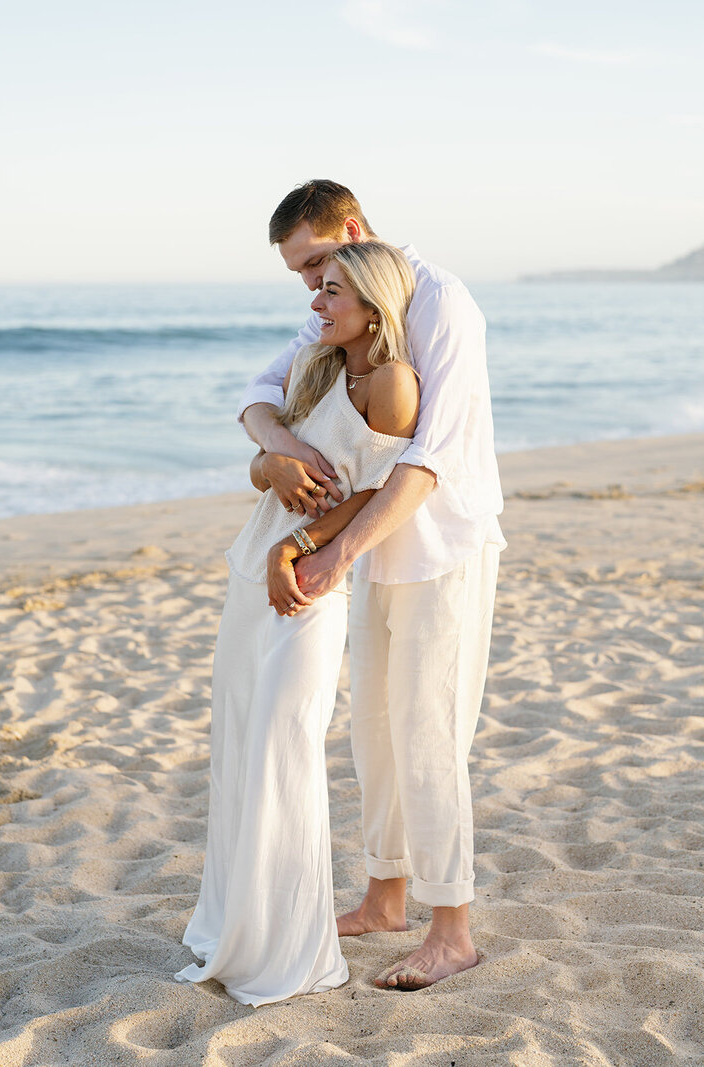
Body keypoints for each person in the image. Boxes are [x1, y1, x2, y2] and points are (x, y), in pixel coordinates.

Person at [238, 180, 506, 991]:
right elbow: (261, 389)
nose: (313, 293)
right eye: (305, 277)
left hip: (440, 545)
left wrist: (336, 553)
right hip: (374, 544)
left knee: (429, 730)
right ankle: (385, 895)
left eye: (319, 265)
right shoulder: (337, 298)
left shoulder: (442, 304)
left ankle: (451, 928)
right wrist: (280, 448)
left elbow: (430, 458)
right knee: (375, 732)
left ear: (351, 231)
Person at [175, 241, 420, 1006]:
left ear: (374, 306)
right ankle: (241, 925)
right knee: (243, 741)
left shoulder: (394, 384)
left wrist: (302, 544)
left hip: (308, 580)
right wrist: (271, 465)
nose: (316, 301)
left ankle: (288, 942)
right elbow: (261, 462)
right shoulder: (317, 364)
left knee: (287, 742)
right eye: (319, 290)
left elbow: (376, 493)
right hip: (252, 569)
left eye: (333, 291)